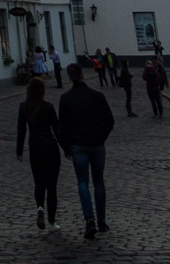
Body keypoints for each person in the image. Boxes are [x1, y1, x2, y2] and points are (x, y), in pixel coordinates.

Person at [59, 62, 115, 241]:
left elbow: (63, 127)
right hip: (97, 144)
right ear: (83, 75)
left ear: (70, 77)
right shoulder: (97, 96)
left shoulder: (66, 98)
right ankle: (102, 220)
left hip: (78, 145)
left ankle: (89, 220)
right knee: (98, 181)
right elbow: (110, 120)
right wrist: (101, 137)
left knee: (82, 182)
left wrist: (67, 146)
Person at [16, 77, 62, 232]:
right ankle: (51, 222)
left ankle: (40, 207)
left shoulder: (24, 107)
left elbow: (21, 130)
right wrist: (66, 148)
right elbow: (56, 129)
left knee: (39, 182)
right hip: (50, 147)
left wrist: (19, 150)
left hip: (34, 147)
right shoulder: (48, 107)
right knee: (52, 185)